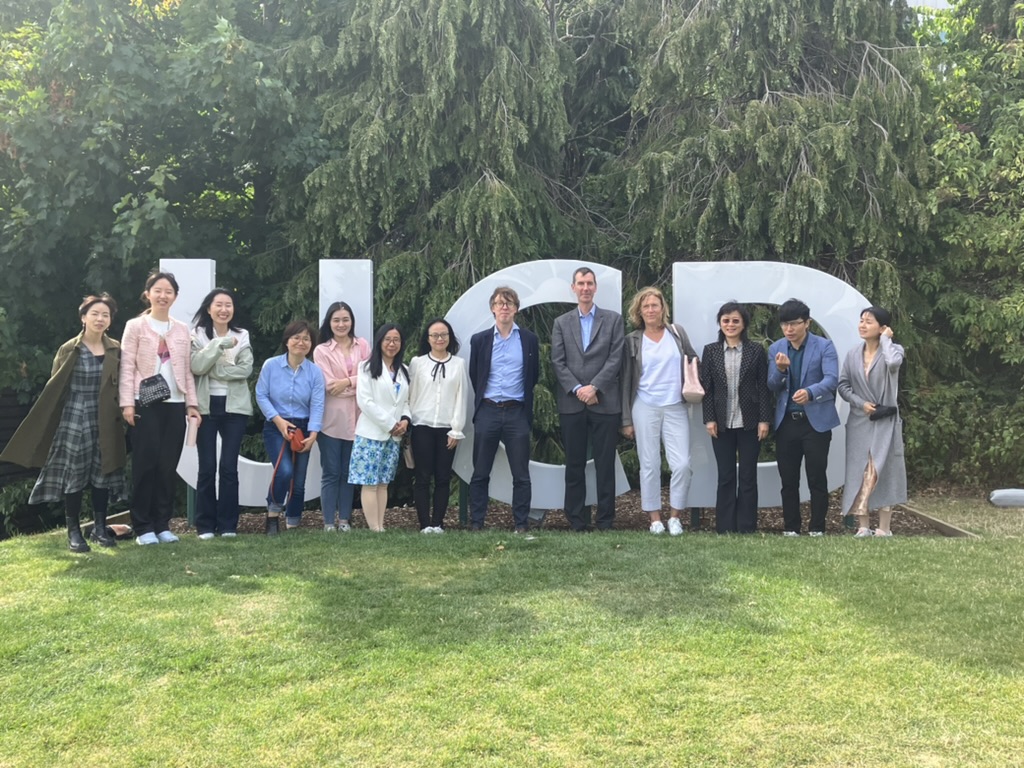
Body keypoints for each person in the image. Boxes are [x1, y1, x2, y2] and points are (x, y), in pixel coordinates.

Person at [2, 294, 126, 552]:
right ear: (83, 317)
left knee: (103, 471)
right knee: (76, 474)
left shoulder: (115, 348)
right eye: (94, 314)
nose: (100, 319)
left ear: (110, 320)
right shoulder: (69, 348)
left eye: (105, 315)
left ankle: (101, 529)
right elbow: (55, 386)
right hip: (75, 416)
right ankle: (74, 532)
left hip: (106, 417)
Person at [120, 271, 201, 545]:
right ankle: (142, 526)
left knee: (167, 466)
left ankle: (162, 524)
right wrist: (127, 403)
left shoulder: (181, 329)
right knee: (145, 464)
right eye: (158, 290)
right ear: (148, 293)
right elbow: (127, 367)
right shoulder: (135, 326)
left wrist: (192, 403)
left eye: (168, 291)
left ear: (175, 297)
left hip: (175, 404)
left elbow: (187, 370)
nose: (163, 295)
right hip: (145, 403)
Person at [551, 267, 625, 532]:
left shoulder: (613, 320)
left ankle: (605, 520)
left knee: (605, 465)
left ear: (595, 288)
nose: (585, 288)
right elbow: (558, 362)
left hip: (604, 403)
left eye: (589, 283)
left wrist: (594, 388)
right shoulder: (561, 322)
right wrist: (578, 389)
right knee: (574, 464)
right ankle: (576, 520)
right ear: (573, 288)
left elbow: (616, 358)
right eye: (580, 283)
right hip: (572, 404)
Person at [621, 286, 699, 535]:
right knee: (650, 464)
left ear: (663, 308)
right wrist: (626, 419)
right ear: (639, 312)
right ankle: (654, 518)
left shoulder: (677, 333)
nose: (651, 310)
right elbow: (625, 381)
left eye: (655, 305)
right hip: (645, 406)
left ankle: (675, 516)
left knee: (682, 464)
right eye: (646, 306)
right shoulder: (633, 339)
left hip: (676, 406)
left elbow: (693, 359)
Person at [468, 286, 540, 533]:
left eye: (509, 303)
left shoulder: (529, 339)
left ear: (516, 309)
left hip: (516, 412)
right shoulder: (480, 340)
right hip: (488, 410)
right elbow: (475, 374)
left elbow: (533, 375)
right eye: (500, 303)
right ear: (492, 309)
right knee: (480, 471)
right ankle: (477, 522)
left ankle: (521, 523)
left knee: (521, 474)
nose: (504, 307)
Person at [767, 298, 840, 536]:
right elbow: (772, 385)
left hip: (815, 423)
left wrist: (810, 392)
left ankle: (817, 527)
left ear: (807, 323)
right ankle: (791, 527)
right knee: (788, 480)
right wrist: (780, 371)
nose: (789, 329)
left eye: (795, 324)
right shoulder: (776, 348)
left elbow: (831, 380)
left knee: (816, 476)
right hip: (786, 423)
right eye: (784, 324)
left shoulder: (824, 346)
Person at [699, 301, 772, 534]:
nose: (730, 325)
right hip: (720, 423)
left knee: (748, 475)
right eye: (726, 320)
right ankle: (725, 526)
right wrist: (709, 419)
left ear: (743, 324)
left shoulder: (756, 351)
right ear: (720, 323)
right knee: (726, 475)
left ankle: (747, 526)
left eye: (735, 321)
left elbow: (763, 387)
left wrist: (764, 419)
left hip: (750, 422)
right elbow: (706, 388)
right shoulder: (710, 351)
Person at [837, 306, 907, 537]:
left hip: (885, 420)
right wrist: (860, 403)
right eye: (861, 320)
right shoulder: (852, 354)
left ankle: (884, 528)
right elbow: (843, 385)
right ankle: (863, 525)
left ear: (882, 327)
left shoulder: (894, 350)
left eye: (869, 321)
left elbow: (893, 364)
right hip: (860, 420)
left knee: (883, 470)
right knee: (860, 470)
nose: (862, 325)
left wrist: (886, 340)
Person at [190, 288, 253, 539]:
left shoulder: (243, 334)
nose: (224, 309)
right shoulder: (196, 334)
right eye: (219, 305)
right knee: (206, 467)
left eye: (228, 305)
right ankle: (205, 525)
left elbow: (245, 370)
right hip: (205, 406)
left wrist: (213, 369)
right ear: (209, 308)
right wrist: (220, 345)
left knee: (228, 467)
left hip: (235, 408)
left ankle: (228, 525)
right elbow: (196, 366)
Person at [255, 320, 324, 535]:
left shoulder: (315, 372)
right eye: (296, 337)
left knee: (299, 480)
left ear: (311, 344)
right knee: (284, 471)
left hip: (303, 427)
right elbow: (261, 394)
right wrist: (278, 420)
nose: (301, 342)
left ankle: (293, 522)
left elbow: (318, 404)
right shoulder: (271, 365)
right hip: (277, 425)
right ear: (287, 341)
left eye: (306, 339)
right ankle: (273, 516)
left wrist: (313, 435)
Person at [313, 302, 370, 532]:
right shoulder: (321, 350)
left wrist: (347, 382)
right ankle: (328, 522)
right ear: (329, 322)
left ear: (352, 321)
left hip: (358, 417)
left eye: (345, 319)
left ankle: (344, 520)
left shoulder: (363, 345)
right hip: (331, 420)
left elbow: (369, 377)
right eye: (336, 320)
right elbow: (327, 385)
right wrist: (355, 384)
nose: (341, 324)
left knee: (349, 472)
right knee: (331, 472)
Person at [348, 324, 411, 532]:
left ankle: (380, 525)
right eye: (387, 339)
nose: (392, 344)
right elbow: (365, 402)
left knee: (383, 483)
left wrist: (404, 420)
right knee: (370, 483)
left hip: (394, 437)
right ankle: (374, 527)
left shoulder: (404, 370)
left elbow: (406, 402)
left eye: (396, 340)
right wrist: (390, 424)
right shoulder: (366, 367)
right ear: (379, 341)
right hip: (371, 433)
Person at [408, 318, 467, 533]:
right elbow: (411, 394)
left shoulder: (458, 364)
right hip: (422, 425)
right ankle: (424, 523)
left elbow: (462, 397)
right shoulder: (417, 363)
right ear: (428, 338)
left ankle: (438, 523)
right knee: (422, 476)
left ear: (449, 338)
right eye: (435, 335)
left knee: (443, 476)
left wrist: (456, 428)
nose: (439, 339)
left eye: (443, 335)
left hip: (447, 428)